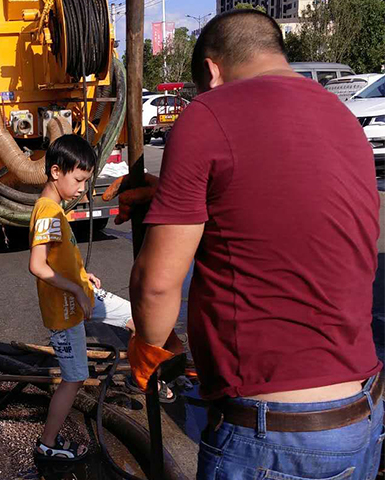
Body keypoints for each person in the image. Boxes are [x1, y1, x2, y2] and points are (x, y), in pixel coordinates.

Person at [127, 10, 383, 479]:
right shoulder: (344, 120)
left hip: (275, 435)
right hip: (359, 414)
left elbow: (156, 286)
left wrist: (149, 346)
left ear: (211, 70)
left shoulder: (207, 113)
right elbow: (281, 206)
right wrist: (175, 197)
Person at [28, 135, 182, 462]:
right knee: (74, 378)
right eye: (79, 180)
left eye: (87, 180)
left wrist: (83, 277)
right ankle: (47, 443)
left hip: (83, 295)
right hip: (66, 311)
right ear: (56, 172)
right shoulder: (46, 212)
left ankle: (148, 379)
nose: (84, 188)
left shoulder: (56, 208)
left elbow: (61, 258)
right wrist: (73, 288)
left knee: (139, 317)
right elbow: (37, 266)